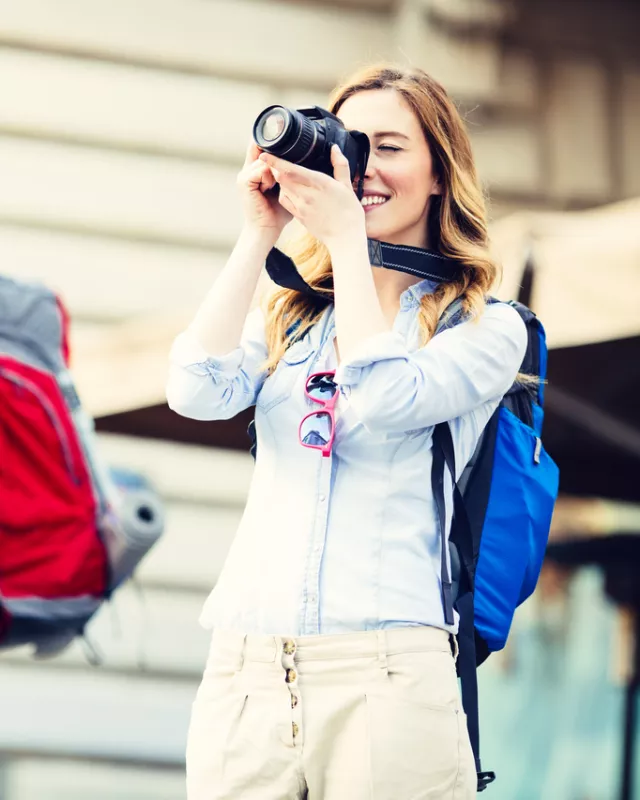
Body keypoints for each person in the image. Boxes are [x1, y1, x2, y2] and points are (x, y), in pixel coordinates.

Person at [166, 63, 527, 800]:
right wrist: (258, 233)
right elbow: (193, 390)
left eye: (388, 147)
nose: (361, 165)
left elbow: (388, 394)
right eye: (347, 143)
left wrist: (348, 244)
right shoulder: (294, 316)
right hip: (248, 673)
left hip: (386, 677)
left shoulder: (487, 326)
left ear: (439, 173)